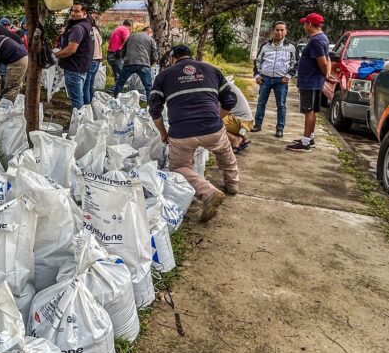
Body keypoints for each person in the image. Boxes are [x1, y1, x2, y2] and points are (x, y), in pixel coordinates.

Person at [149, 45, 239, 221]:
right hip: (212, 129)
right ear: (191, 56)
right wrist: (216, 118)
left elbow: (154, 109)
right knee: (225, 152)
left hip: (182, 133)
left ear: (172, 58)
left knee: (178, 167)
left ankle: (208, 192)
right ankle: (233, 185)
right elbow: (229, 101)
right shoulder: (211, 69)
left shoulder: (163, 75)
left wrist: (163, 133)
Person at [287, 12, 332, 152]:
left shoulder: (316, 41)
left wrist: (326, 74)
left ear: (310, 24)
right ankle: (310, 138)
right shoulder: (322, 38)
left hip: (310, 81)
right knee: (312, 110)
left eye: (305, 24)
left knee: (309, 111)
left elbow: (323, 62)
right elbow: (328, 59)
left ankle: (305, 142)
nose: (304, 27)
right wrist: (326, 74)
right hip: (314, 80)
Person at [252, 20, 297, 138]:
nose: (279, 32)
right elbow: (257, 61)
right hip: (265, 79)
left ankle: (280, 128)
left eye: (282, 30)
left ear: (286, 31)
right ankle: (257, 125)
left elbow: (295, 63)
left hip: (281, 81)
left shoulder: (291, 46)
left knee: (281, 105)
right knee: (261, 103)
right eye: (277, 30)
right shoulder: (265, 45)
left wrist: (288, 76)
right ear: (273, 31)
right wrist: (257, 75)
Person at [53, 3, 95, 109]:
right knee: (81, 96)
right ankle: (84, 116)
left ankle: (78, 118)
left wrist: (54, 55)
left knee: (76, 100)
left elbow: (71, 50)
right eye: (72, 10)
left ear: (84, 12)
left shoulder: (78, 28)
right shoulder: (88, 26)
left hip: (74, 67)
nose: (73, 13)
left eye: (77, 11)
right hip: (82, 66)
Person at [111, 26, 157, 97]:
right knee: (148, 87)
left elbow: (122, 52)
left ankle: (115, 100)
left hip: (128, 64)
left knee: (120, 84)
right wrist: (149, 64)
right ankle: (150, 103)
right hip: (143, 64)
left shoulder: (130, 37)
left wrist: (125, 60)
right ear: (149, 32)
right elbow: (154, 56)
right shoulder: (151, 39)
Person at [84, 11, 104, 105]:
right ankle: (92, 104)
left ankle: (87, 105)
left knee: (86, 85)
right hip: (97, 59)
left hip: (91, 58)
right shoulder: (96, 31)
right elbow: (100, 43)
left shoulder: (89, 31)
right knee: (90, 84)